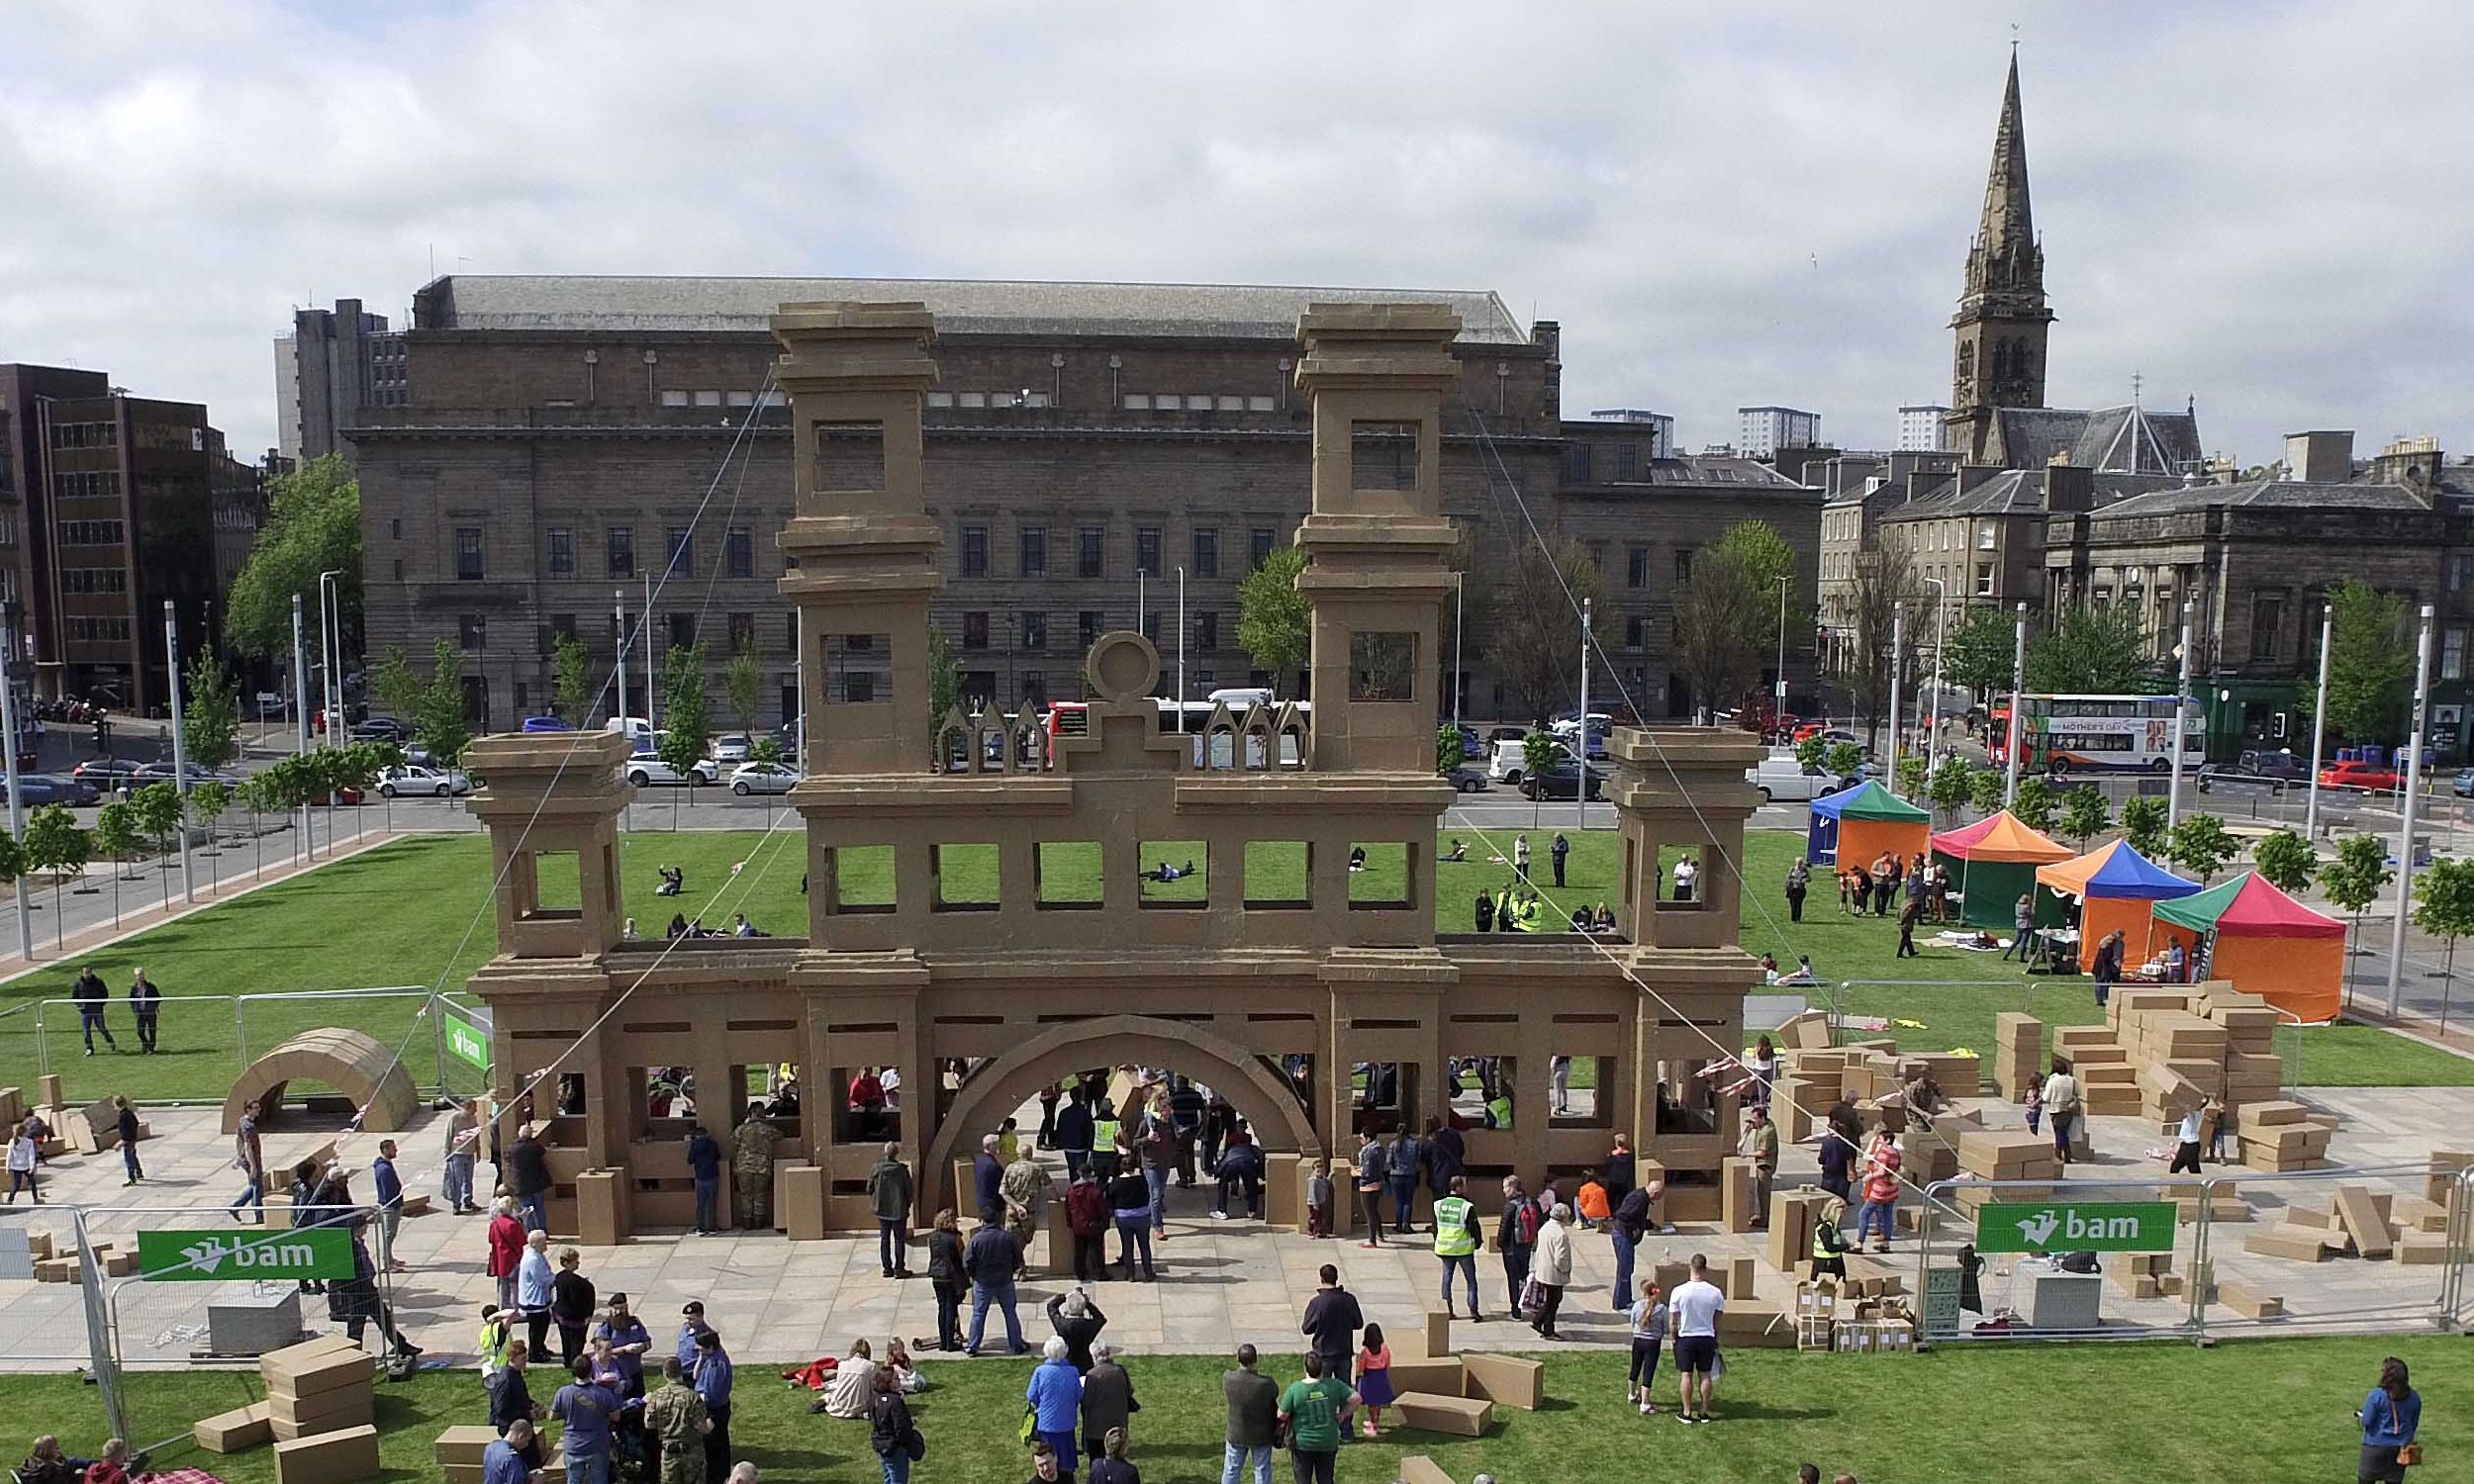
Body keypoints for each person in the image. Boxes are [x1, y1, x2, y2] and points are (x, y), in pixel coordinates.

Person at [1275, 1351, 1358, 1484]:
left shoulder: (1296, 1389)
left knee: (1303, 1480)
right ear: (1322, 1368)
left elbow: (1281, 1414)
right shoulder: (1334, 1385)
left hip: (1303, 1444)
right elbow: (1356, 1399)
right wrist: (1342, 1415)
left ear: (1305, 1368)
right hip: (1328, 1441)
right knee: (1326, 1479)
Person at [1670, 1253, 1725, 1424]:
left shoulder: (1679, 1291)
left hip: (1686, 1336)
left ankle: (1687, 1412)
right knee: (1705, 1375)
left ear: (1690, 1267)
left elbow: (1673, 1321)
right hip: (1706, 1337)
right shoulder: (1715, 1293)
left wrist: (1673, 1337)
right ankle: (1703, 1411)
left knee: (1686, 1375)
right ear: (1705, 1269)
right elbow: (1717, 1320)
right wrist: (1715, 1336)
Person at [552, 1355, 622, 1484]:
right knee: (599, 1479)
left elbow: (552, 1416)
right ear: (591, 1371)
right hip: (597, 1445)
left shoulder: (563, 1393)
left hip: (573, 1446)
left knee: (573, 1480)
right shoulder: (604, 1394)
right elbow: (616, 1416)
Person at [964, 1211, 1027, 1354]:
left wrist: (975, 1276)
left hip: (983, 1282)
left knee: (979, 1314)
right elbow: (1018, 1258)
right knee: (1010, 1313)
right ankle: (1016, 1344)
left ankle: (973, 1346)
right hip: (1005, 1281)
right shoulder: (1008, 1238)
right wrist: (1010, 1271)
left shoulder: (976, 1240)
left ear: (982, 1221)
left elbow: (967, 1262)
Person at [644, 1354, 713, 1484]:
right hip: (692, 1454)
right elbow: (702, 1427)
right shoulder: (692, 1397)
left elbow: (649, 1424)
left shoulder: (656, 1397)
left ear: (665, 1373)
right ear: (681, 1371)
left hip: (669, 1454)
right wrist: (710, 1425)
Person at [1025, 1337, 1083, 1480]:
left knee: (1047, 1456)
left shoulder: (1041, 1371)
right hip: (1067, 1423)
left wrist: (1042, 1405)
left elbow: (1031, 1395)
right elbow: (1079, 1394)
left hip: (1047, 1424)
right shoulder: (1073, 1371)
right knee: (1066, 1459)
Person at [2357, 1354, 2421, 1483]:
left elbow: (2367, 1422)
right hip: (2400, 1448)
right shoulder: (2414, 1397)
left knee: (2366, 1480)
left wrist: (2361, 1417)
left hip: (2375, 1446)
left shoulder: (2376, 1396)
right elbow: (2413, 1422)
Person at [1220, 1344, 1279, 1484]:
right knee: (1261, 1470)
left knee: (1232, 1469)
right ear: (1255, 1360)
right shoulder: (1266, 1384)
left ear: (1238, 1359)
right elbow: (1274, 1394)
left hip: (1236, 1432)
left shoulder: (1228, 1378)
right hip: (1261, 1434)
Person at [1431, 1174, 1483, 1321]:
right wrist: (1478, 1243)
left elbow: (1435, 1227)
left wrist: (1438, 1240)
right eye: (1465, 1185)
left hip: (1445, 1248)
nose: (1467, 1188)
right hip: (1463, 1249)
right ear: (1459, 1188)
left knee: (1446, 1280)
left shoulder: (1439, 1204)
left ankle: (1447, 1310)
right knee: (1471, 1280)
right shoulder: (1467, 1207)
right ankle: (1473, 1310)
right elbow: (1474, 1228)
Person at [1299, 1264, 1362, 1382]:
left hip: (1323, 1354)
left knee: (1323, 1390)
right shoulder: (1349, 1299)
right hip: (1344, 1351)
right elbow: (1358, 1323)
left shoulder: (1317, 1303)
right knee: (1344, 1390)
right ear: (1337, 1278)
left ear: (1321, 1279)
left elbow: (1306, 1328)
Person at [1080, 1342, 1137, 1469]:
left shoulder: (1092, 1375)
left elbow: (1086, 1401)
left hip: (1096, 1429)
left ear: (1094, 1356)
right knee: (1117, 1462)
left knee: (1097, 1464)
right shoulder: (1120, 1371)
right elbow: (1129, 1391)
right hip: (1117, 1425)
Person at [866, 1142, 914, 1280]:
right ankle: (899, 1268)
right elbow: (909, 1191)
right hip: (899, 1210)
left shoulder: (876, 1168)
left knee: (884, 1239)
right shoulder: (902, 1170)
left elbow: (869, 1189)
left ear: (885, 1153)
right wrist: (906, 1204)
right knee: (899, 1239)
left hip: (882, 1210)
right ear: (896, 1153)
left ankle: (887, 1268)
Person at [590, 1292, 653, 1398]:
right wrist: (624, 1350)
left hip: (635, 1372)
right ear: (610, 1309)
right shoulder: (606, 1328)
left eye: (622, 1308)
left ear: (626, 1307)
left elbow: (647, 1342)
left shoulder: (635, 1323)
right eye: (615, 1309)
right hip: (616, 1376)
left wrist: (642, 1347)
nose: (618, 1312)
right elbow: (600, 1352)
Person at [690, 1327, 733, 1479]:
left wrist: (695, 1401)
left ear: (709, 1347)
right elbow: (696, 1376)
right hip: (718, 1408)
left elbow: (711, 1395)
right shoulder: (713, 1358)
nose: (697, 1348)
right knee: (719, 1444)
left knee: (714, 1448)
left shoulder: (716, 1366)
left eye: (700, 1346)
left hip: (714, 1411)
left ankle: (717, 1477)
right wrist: (702, 1357)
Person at [870, 1362, 923, 1484]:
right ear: (889, 1383)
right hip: (895, 1448)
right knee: (898, 1479)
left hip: (880, 1444)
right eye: (896, 1378)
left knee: (888, 1476)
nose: (899, 1380)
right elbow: (901, 1427)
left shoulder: (874, 1398)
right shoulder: (895, 1402)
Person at [1003, 1145, 1052, 1272]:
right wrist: (1057, 1200)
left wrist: (1016, 1206)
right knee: (1024, 1239)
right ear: (1031, 1154)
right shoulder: (1037, 1169)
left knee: (1013, 1240)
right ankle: (1020, 1267)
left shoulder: (1010, 1168)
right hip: (1029, 1212)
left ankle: (1016, 1264)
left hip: (1012, 1210)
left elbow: (1003, 1192)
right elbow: (1049, 1186)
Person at [730, 1107, 780, 1230]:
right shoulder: (767, 1129)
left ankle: (747, 1221)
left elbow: (734, 1139)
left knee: (746, 1195)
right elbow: (780, 1135)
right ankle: (759, 1222)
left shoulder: (742, 1128)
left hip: (744, 1167)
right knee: (760, 1195)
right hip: (762, 1167)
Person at [1531, 1202, 1573, 1339]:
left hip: (1543, 1270)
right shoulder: (1561, 1235)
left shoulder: (1545, 1228)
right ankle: (1547, 1328)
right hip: (1554, 1273)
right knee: (1553, 1301)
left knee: (1551, 1299)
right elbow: (1561, 1258)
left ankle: (1538, 1321)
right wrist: (1566, 1269)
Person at [1105, 1162, 1155, 1282]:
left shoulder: (1116, 1182)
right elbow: (1148, 1194)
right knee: (1144, 1245)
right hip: (1142, 1215)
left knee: (1127, 1246)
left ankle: (1130, 1273)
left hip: (1123, 1217)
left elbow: (1109, 1197)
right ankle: (1148, 1272)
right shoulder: (1141, 1180)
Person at [1496, 1174, 1537, 1315]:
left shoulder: (1510, 1206)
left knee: (1513, 1279)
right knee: (1524, 1275)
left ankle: (1516, 1309)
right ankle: (1528, 1303)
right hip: (1526, 1245)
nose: (1504, 1190)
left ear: (1513, 1187)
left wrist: (1500, 1243)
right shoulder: (1530, 1201)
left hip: (1512, 1248)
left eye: (1505, 1187)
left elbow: (1504, 1228)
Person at [1856, 1128, 1901, 1253]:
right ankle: (1885, 1244)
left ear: (1887, 1140)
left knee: (1863, 1214)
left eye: (1880, 1140)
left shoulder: (1884, 1152)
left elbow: (1881, 1171)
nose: (1879, 1142)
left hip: (1880, 1190)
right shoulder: (1895, 1152)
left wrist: (1869, 1176)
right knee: (1887, 1216)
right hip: (1891, 1190)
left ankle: (1859, 1244)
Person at [1627, 1277, 1668, 1415]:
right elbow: (1666, 1328)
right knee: (1648, 1371)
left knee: (1635, 1367)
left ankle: (1632, 1394)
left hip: (1638, 1340)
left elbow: (1633, 1322)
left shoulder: (1637, 1305)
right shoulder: (1661, 1309)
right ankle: (1645, 1403)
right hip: (1653, 1342)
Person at [550, 1248, 597, 1368]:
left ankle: (567, 1361)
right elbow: (577, 1301)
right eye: (575, 1261)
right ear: (567, 1263)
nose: (578, 1263)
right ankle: (575, 1363)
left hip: (562, 1316)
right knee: (577, 1342)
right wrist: (587, 1314)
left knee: (566, 1341)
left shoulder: (559, 1277)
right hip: (575, 1318)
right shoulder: (576, 1282)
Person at [1047, 1287, 1107, 1373]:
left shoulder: (1062, 1324)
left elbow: (1051, 1306)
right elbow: (1101, 1319)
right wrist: (1088, 1304)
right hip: (1086, 1363)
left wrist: (1064, 1297)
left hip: (1067, 1362)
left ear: (1067, 1309)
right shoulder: (1090, 1325)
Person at [518, 1229, 557, 1356]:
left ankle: (540, 1346)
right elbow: (542, 1279)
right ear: (535, 1244)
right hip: (534, 1299)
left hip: (537, 1298)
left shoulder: (535, 1254)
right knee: (537, 1327)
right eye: (543, 1242)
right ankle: (535, 1352)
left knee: (543, 1323)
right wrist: (556, 1279)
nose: (545, 1245)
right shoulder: (533, 1259)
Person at [1352, 1322, 1393, 1438]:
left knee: (1371, 1404)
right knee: (1378, 1403)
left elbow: (1361, 1368)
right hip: (1381, 1378)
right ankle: (1376, 1422)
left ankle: (1373, 1426)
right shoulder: (1385, 1348)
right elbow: (1388, 1362)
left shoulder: (1365, 1352)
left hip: (1369, 1379)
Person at [1740, 1105, 1778, 1229]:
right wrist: (1748, 1130)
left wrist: (1746, 1154)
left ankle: (1765, 1219)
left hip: (1765, 1165)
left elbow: (1762, 1152)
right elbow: (1751, 1127)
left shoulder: (1767, 1131)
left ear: (1762, 1118)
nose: (1753, 1121)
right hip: (1761, 1163)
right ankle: (1762, 1215)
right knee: (1760, 1192)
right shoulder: (1763, 1124)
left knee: (1763, 1193)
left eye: (1755, 1118)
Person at [229, 1097, 265, 1223]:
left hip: (247, 1160)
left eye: (258, 1107)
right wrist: (253, 1166)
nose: (258, 1110)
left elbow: (238, 1140)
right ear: (248, 1110)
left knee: (253, 1186)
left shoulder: (242, 1121)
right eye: (255, 1108)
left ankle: (236, 1207)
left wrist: (239, 1158)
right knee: (257, 1188)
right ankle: (259, 1215)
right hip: (252, 1161)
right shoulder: (249, 1127)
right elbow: (247, 1146)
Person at [1212, 1132, 1265, 1220]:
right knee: (1252, 1186)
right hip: (1248, 1163)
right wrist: (1261, 1174)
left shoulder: (1231, 1149)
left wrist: (1217, 1174)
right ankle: (1252, 1210)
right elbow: (1261, 1157)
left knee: (1223, 1185)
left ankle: (1222, 1211)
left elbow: (1223, 1162)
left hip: (1232, 1163)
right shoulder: (1252, 1148)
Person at [487, 1197, 527, 1309]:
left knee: (503, 1284)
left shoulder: (495, 1223)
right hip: (513, 1258)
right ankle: (515, 1308)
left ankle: (503, 1305)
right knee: (514, 1285)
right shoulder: (513, 1224)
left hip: (499, 1258)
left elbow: (490, 1239)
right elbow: (523, 1240)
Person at [443, 1098, 482, 1215]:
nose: (476, 1110)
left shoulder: (473, 1119)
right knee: (457, 1180)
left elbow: (476, 1135)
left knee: (468, 1179)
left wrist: (478, 1150)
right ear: (468, 1107)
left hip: (470, 1153)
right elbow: (448, 1135)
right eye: (474, 1107)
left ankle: (468, 1201)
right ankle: (456, 1205)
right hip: (458, 1155)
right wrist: (447, 1152)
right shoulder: (454, 1119)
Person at [684, 1124, 723, 1235]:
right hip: (712, 1175)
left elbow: (690, 1160)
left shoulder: (694, 1145)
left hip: (700, 1177)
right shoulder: (713, 1144)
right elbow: (718, 1156)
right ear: (706, 1134)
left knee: (701, 1203)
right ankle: (711, 1227)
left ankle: (700, 1227)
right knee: (711, 1202)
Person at [2043, 1057, 2082, 1164]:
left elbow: (2046, 1097)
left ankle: (2062, 1155)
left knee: (2060, 1133)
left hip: (2056, 1110)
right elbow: (2078, 1093)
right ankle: (2062, 1154)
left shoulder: (2053, 1081)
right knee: (2064, 1131)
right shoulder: (2073, 1080)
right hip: (2070, 1109)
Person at [1385, 1124, 1423, 1235]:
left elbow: (1388, 1160)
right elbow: (1418, 1160)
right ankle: (1406, 1224)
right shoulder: (1414, 1144)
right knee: (1408, 1201)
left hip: (1396, 1175)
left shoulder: (1393, 1144)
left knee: (1399, 1202)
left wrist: (1394, 1167)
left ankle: (1398, 1225)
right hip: (1410, 1175)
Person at [71, 966, 116, 1055]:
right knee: (86, 1030)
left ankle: (110, 1040)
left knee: (101, 1027)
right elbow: (74, 997)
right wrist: (80, 1005)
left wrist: (100, 1004)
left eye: (88, 973)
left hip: (97, 1009)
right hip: (85, 1010)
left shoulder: (98, 982)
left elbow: (105, 993)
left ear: (91, 972)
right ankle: (89, 1047)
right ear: (82, 973)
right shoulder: (78, 984)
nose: (87, 975)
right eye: (85, 973)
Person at [1351, 1130, 1385, 1246]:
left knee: (1369, 1213)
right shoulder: (1379, 1149)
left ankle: (1372, 1240)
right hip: (1378, 1183)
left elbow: (1367, 1172)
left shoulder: (1369, 1152)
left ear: (1368, 1139)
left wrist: (1355, 1173)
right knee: (1375, 1211)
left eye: (1361, 1138)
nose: (1360, 1141)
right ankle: (1379, 1234)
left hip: (1368, 1186)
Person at [483, 1420, 535, 1484]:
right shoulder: (513, 1459)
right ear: (521, 1437)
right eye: (527, 1441)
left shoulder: (491, 1448)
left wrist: (525, 1475)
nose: (527, 1445)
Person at [106, 1095, 140, 1186]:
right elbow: (136, 1123)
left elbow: (125, 1131)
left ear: (117, 1105)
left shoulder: (122, 1116)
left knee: (129, 1159)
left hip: (127, 1140)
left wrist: (121, 1142)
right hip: (133, 1138)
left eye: (114, 1105)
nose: (113, 1107)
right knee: (133, 1156)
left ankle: (132, 1178)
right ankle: (139, 1173)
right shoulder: (129, 1112)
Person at [2168, 1099, 2207, 1176]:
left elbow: (2198, 1107)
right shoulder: (2187, 1116)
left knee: (2193, 1168)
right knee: (2175, 1167)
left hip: (2191, 1145)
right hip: (2185, 1144)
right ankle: (2172, 1184)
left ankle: (2200, 1184)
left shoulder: (2195, 1115)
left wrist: (2204, 1101)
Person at [127, 969, 160, 1055]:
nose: (140, 977)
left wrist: (154, 1007)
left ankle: (151, 1048)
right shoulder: (134, 989)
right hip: (140, 1013)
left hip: (150, 1013)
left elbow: (158, 997)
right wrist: (135, 1010)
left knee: (152, 1031)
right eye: (138, 975)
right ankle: (145, 1044)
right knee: (140, 1031)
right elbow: (131, 1000)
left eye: (141, 974)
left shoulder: (151, 987)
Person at [2092, 929, 2126, 1007]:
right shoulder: (2114, 943)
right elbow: (2115, 957)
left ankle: (2101, 1000)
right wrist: (2116, 964)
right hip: (2104, 966)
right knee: (2103, 982)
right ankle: (2103, 999)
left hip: (2101, 965)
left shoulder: (2108, 942)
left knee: (2101, 982)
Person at [2002, 893, 2035, 962]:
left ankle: (2006, 955)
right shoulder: (2026, 907)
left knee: (2015, 942)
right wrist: (2032, 906)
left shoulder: (2017, 905)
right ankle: (2021, 958)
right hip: (2026, 925)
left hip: (2019, 924)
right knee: (2023, 942)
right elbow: (2032, 914)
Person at [1784, 857, 1809, 922]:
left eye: (1800, 863)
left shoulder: (1804, 870)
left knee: (1799, 904)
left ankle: (1798, 918)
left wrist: (1804, 880)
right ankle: (1793, 918)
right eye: (1798, 863)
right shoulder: (1792, 869)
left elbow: (1809, 878)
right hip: (1792, 889)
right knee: (1792, 904)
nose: (1799, 864)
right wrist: (1792, 882)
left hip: (1800, 890)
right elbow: (1788, 878)